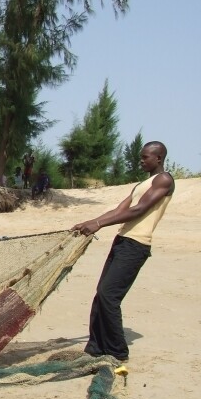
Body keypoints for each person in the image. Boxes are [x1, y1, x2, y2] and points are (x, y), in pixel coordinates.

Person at [71, 141, 175, 362]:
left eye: (146, 157)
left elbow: (139, 210)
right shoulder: (141, 184)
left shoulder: (164, 180)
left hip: (136, 245)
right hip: (122, 240)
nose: (141, 160)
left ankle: (118, 352)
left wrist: (98, 224)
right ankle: (96, 348)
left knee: (110, 295)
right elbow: (120, 209)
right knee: (101, 294)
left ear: (159, 158)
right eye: (141, 156)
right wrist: (90, 222)